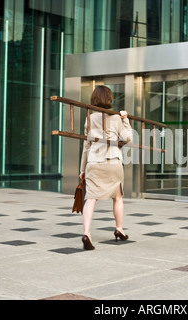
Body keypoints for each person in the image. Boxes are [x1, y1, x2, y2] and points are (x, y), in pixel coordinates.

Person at [79, 86, 133, 250]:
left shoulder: (89, 118)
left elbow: (86, 145)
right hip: (112, 162)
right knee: (118, 197)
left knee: (90, 198)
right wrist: (125, 119)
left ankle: (87, 233)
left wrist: (82, 169)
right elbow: (128, 138)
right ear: (109, 99)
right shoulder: (116, 117)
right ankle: (119, 229)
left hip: (94, 162)